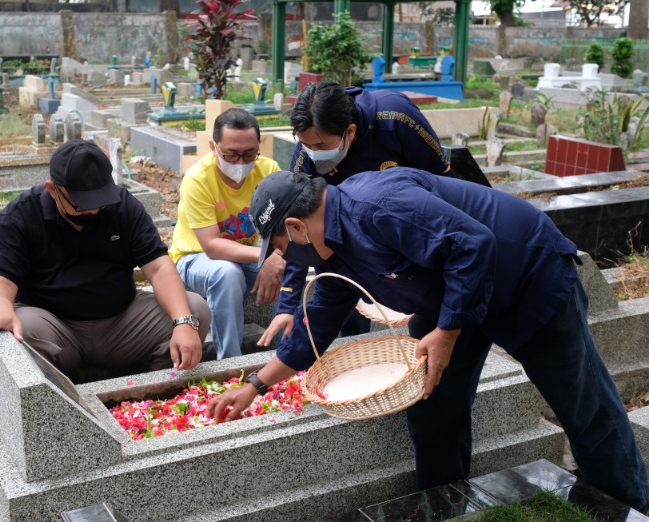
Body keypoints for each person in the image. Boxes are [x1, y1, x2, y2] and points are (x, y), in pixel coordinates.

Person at [208, 169, 649, 511]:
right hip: (453, 299)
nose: (286, 258)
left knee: (580, 402)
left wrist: (447, 330)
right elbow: (315, 327)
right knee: (432, 404)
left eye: (282, 246)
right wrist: (254, 387)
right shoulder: (335, 249)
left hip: (528, 277)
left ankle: (624, 502)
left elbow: (475, 244)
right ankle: (446, 503)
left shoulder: (378, 206)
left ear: (297, 226)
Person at [0, 140, 211, 379]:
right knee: (16, 331)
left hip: (122, 324)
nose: (93, 211)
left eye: (100, 201)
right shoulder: (22, 215)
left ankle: (144, 384)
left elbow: (159, 267)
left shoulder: (123, 205)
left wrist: (183, 322)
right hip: (55, 328)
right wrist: (1, 306)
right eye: (81, 204)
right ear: (53, 189)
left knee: (194, 310)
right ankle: (63, 393)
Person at [261, 81, 451, 346]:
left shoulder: (397, 119)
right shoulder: (306, 157)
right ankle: (354, 341)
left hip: (413, 227)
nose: (315, 154)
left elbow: (441, 182)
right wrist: (287, 305)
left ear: (350, 131)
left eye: (321, 144)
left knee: (426, 315)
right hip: (346, 233)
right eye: (306, 145)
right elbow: (298, 234)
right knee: (338, 276)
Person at [168, 108, 285, 359]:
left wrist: (274, 257)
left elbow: (282, 229)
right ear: (213, 146)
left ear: (259, 145)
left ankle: (290, 351)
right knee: (227, 273)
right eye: (231, 155)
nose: (241, 163)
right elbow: (212, 246)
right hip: (194, 259)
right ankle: (230, 361)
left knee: (288, 270)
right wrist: (265, 256)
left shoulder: (269, 170)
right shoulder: (198, 179)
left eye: (249, 153)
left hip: (247, 253)